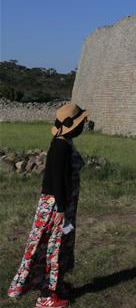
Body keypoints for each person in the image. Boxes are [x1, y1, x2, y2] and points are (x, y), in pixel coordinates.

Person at [7, 102, 90, 308]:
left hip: (61, 203)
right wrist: (61, 209)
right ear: (72, 126)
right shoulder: (60, 146)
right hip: (56, 204)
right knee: (53, 247)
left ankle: (56, 285)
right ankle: (46, 296)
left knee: (58, 246)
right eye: (81, 122)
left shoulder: (63, 142)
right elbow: (57, 179)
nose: (83, 125)